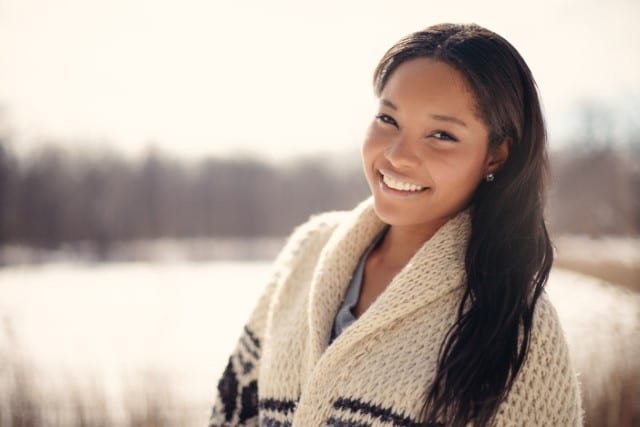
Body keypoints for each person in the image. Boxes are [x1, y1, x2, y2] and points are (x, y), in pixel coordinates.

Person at [207, 23, 583, 427]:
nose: (398, 155)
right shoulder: (308, 253)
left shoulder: (519, 330)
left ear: (495, 156)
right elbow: (230, 416)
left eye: (441, 134)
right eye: (388, 119)